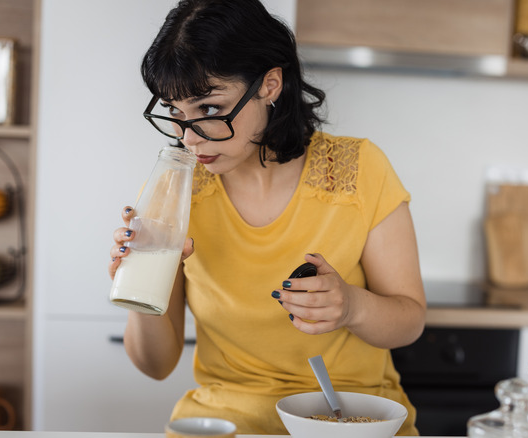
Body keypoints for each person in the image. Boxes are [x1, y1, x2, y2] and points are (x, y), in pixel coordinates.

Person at [107, 0, 426, 434]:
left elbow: (409, 321)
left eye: (210, 110)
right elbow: (156, 366)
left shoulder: (359, 169)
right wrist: (140, 283)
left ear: (270, 84)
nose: (190, 139)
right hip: (226, 420)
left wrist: (352, 306)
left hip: (349, 415)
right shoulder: (178, 193)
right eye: (176, 114)